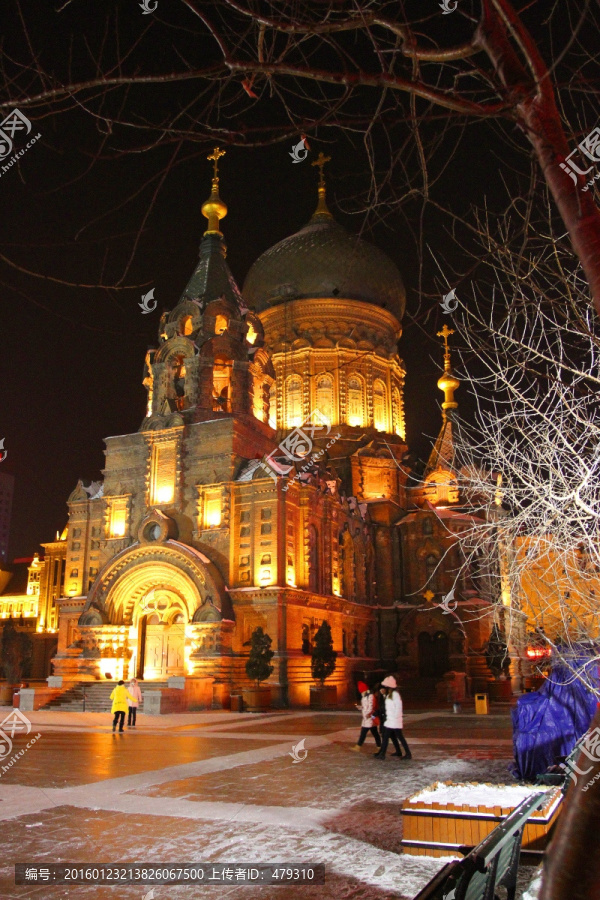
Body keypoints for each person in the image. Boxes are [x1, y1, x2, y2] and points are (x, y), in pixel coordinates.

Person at [374, 675, 412, 760]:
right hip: (390, 721)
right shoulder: (389, 695)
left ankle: (407, 754)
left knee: (396, 737)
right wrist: (384, 696)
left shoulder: (395, 695)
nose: (385, 687)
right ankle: (383, 754)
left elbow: (398, 707)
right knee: (387, 737)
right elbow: (389, 704)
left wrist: (394, 718)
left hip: (394, 721)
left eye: (386, 686)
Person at [350, 681, 381, 751]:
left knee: (365, 733)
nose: (361, 692)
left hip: (369, 717)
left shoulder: (370, 696)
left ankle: (358, 746)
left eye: (361, 691)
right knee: (374, 733)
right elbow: (365, 707)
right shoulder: (364, 697)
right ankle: (379, 746)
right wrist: (360, 707)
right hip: (366, 718)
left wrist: (368, 714)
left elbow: (371, 706)